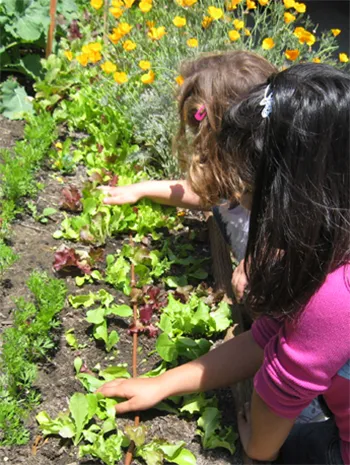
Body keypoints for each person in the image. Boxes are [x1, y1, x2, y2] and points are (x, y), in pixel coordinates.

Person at [98, 63, 350, 464]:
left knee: (285, 449)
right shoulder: (330, 245)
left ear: (293, 199)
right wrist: (163, 383)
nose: (237, 198)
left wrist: (257, 446)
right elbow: (267, 337)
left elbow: (276, 392)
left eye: (248, 192)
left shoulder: (332, 295)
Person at [99, 51, 277, 297]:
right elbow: (208, 196)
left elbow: (301, 255)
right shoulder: (245, 173)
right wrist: (141, 189)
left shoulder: (285, 198)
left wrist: (256, 262)